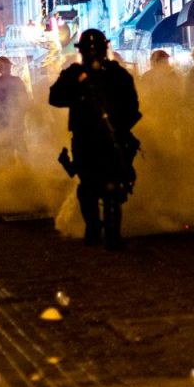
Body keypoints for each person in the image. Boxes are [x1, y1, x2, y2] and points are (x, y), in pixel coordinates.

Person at [49, 29, 141, 250]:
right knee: (89, 187)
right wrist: (77, 88)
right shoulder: (75, 74)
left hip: (109, 138)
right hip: (87, 138)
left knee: (110, 187)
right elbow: (55, 97)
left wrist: (119, 129)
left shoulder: (117, 74)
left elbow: (132, 108)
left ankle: (109, 232)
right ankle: (95, 227)